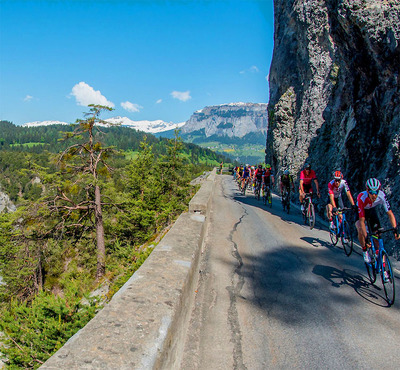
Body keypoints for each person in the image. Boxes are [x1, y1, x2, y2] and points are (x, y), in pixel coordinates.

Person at [355, 178, 399, 266]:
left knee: (377, 236)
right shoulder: (361, 197)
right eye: (371, 192)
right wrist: (366, 237)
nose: (374, 195)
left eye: (376, 192)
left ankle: (383, 268)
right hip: (361, 211)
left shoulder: (382, 196)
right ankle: (364, 251)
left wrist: (395, 229)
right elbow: (362, 221)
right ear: (367, 190)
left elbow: (390, 213)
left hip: (371, 211)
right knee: (360, 228)